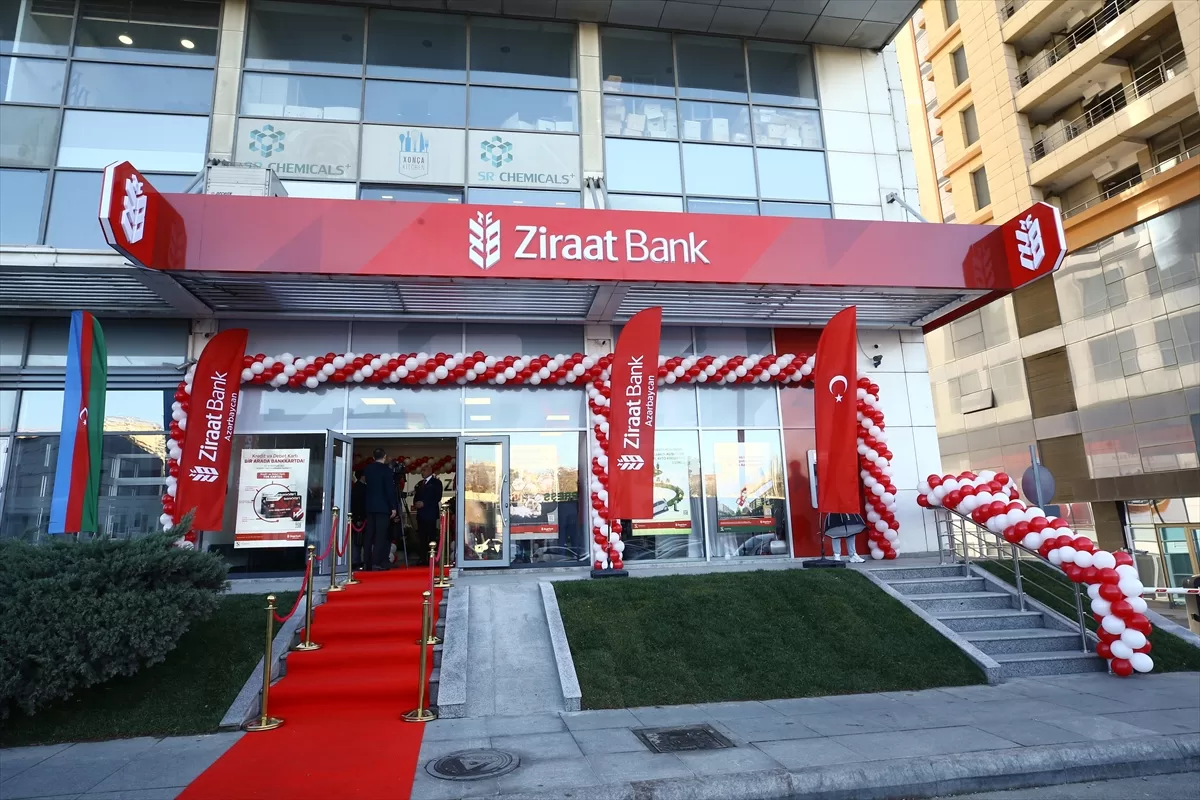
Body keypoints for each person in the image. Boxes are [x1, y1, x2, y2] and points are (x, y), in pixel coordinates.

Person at [362, 448, 398, 570]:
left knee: (369, 534)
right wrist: (393, 507)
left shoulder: (368, 469)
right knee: (380, 536)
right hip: (383, 507)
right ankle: (377, 562)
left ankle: (367, 562)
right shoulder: (386, 470)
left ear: (373, 457)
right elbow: (389, 490)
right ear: (385, 456)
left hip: (370, 506)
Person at [412, 464, 444, 564]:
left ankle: (432, 558)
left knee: (431, 536)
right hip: (421, 514)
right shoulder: (420, 483)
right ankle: (422, 558)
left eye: (424, 470)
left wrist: (424, 503)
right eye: (422, 470)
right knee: (422, 537)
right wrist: (416, 503)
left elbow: (437, 497)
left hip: (430, 514)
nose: (422, 472)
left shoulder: (436, 482)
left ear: (430, 471)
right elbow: (416, 496)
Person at [350, 470, 367, 568]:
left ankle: (359, 560)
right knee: (358, 541)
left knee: (360, 540)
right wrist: (358, 518)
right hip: (359, 518)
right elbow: (357, 504)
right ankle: (356, 560)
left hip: (361, 518)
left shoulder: (359, 487)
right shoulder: (359, 488)